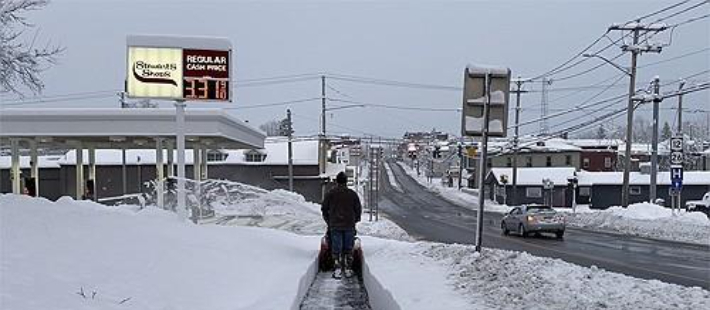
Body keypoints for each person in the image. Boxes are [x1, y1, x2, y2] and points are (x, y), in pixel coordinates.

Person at [321, 171, 362, 279]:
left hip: (335, 225)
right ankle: (348, 268)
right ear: (346, 182)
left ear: (337, 181)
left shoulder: (330, 194)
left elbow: (324, 209)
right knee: (348, 247)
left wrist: (328, 221)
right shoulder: (352, 194)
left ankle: (337, 267)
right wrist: (355, 220)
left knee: (336, 247)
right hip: (349, 224)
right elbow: (358, 209)